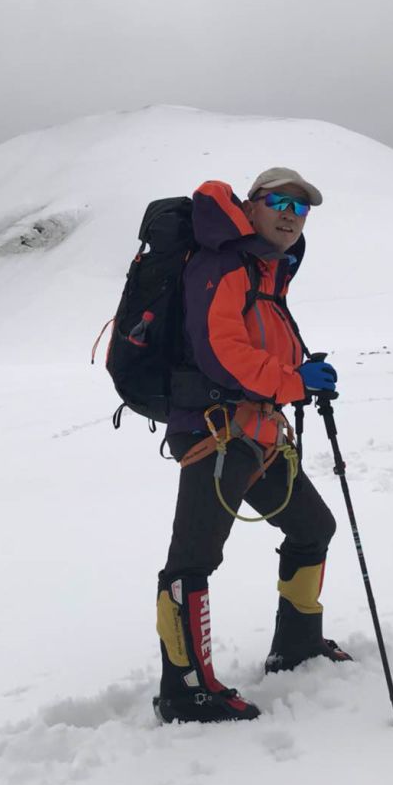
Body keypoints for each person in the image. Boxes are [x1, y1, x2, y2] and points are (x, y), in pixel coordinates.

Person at [153, 167, 350, 725]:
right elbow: (222, 353)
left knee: (313, 527)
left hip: (256, 431)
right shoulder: (223, 263)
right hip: (215, 431)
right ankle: (185, 691)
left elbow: (257, 346)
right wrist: (294, 382)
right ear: (252, 205)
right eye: (280, 202)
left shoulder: (265, 271)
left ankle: (297, 646)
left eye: (300, 207)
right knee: (192, 560)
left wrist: (299, 374)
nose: (291, 215)